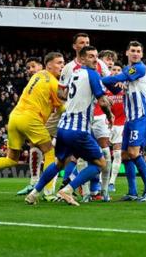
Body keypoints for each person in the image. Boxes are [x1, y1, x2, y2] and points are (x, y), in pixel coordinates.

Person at [25, 46, 112, 206]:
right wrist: (109, 114)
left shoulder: (74, 73)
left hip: (63, 127)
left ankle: (34, 193)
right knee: (100, 163)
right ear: (83, 59)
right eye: (91, 56)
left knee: (59, 163)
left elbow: (62, 94)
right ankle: (68, 189)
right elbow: (102, 100)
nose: (95, 60)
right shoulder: (92, 74)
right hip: (79, 129)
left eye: (96, 56)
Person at [0, 53, 65, 199]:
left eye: (63, 63)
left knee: (12, 158)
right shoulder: (53, 83)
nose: (62, 66)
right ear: (49, 65)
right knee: (49, 152)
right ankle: (48, 193)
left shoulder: (37, 76)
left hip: (15, 118)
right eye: (59, 63)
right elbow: (62, 108)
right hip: (31, 118)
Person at [59, 33, 112, 201]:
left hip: (96, 115)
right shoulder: (69, 68)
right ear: (75, 46)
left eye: (87, 42)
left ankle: (101, 191)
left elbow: (108, 83)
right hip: (79, 119)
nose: (84, 44)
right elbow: (61, 91)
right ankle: (80, 190)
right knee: (83, 157)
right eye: (81, 43)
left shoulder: (99, 64)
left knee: (103, 153)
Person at [102, 41, 146, 202]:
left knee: (133, 152)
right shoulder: (127, 70)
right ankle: (132, 191)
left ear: (141, 54)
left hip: (142, 116)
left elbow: (120, 77)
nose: (136, 53)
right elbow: (118, 88)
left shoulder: (139, 68)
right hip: (130, 119)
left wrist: (101, 79)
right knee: (125, 155)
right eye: (133, 50)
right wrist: (108, 84)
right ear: (127, 53)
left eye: (138, 51)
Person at [16, 57, 48, 196]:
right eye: (28, 68)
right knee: (34, 147)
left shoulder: (48, 79)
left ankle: (64, 184)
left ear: (41, 66)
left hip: (53, 120)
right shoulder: (31, 83)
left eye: (33, 66)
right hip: (37, 120)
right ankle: (34, 183)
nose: (30, 70)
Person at [107, 61, 125, 193]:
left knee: (118, 154)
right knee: (104, 153)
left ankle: (112, 182)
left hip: (121, 124)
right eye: (114, 70)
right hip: (106, 124)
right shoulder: (105, 88)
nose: (116, 72)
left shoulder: (126, 88)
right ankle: (102, 181)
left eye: (119, 70)